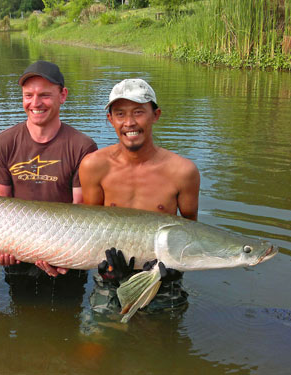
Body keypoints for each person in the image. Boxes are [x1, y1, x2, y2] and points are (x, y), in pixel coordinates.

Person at [79, 78, 200, 314]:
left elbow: (190, 230)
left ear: (155, 115)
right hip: (111, 276)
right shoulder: (93, 166)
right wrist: (107, 270)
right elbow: (89, 226)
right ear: (110, 119)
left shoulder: (183, 171)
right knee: (94, 344)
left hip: (162, 279)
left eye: (138, 112)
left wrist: (175, 268)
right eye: (120, 114)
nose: (130, 123)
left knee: (162, 345)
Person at [0, 60, 98, 292]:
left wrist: (63, 255)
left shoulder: (83, 146)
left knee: (69, 318)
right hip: (18, 252)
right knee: (21, 314)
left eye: (45, 95)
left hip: (67, 251)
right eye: (28, 95)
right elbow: (3, 208)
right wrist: (3, 249)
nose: (35, 103)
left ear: (63, 95)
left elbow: (79, 208)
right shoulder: (2, 143)